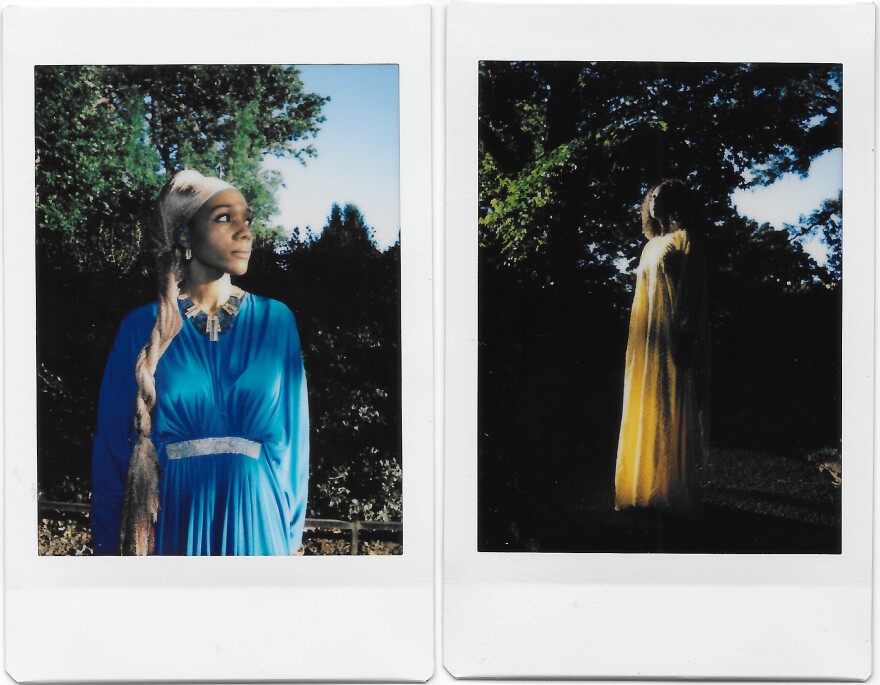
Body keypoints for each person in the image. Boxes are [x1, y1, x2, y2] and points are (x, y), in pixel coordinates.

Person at [91, 170, 309, 555]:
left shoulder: (277, 321)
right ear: (186, 235)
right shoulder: (140, 326)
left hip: (259, 526)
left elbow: (293, 446)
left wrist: (287, 544)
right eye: (225, 218)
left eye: (247, 220)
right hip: (173, 518)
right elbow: (113, 448)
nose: (244, 232)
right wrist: (110, 551)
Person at [614, 179, 709, 510]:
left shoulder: (686, 241)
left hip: (672, 335)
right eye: (652, 196)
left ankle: (673, 490)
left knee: (673, 406)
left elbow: (691, 294)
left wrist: (685, 336)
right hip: (646, 337)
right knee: (649, 403)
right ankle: (644, 488)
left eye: (661, 197)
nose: (654, 201)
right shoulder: (650, 245)